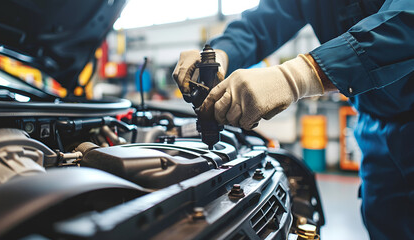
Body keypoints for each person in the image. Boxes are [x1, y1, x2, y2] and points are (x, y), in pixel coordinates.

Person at [172, 0, 414, 239]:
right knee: (386, 224)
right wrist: (223, 51)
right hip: (374, 127)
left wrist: (300, 75)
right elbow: (263, 23)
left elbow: (407, 21)